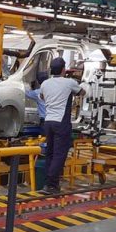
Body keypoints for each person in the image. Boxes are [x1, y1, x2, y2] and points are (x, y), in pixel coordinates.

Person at [39, 58, 85, 195]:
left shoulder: (45, 83)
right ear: (64, 69)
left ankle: (48, 184)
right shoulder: (69, 82)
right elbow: (82, 92)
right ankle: (51, 184)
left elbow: (42, 97)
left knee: (50, 153)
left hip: (48, 121)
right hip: (61, 122)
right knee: (59, 154)